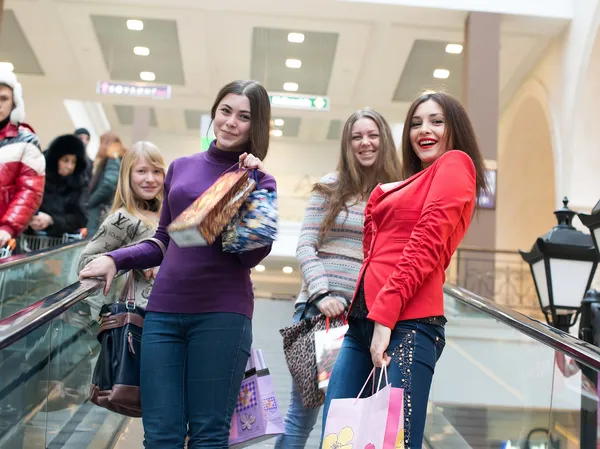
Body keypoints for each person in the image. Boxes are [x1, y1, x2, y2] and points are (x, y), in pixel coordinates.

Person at [79, 80, 276, 448]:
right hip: (163, 315)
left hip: (222, 316)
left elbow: (249, 255)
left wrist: (244, 186)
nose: (231, 122)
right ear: (214, 113)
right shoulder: (181, 168)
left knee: (207, 434)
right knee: (160, 435)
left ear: (257, 125)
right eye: (225, 111)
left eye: (244, 116)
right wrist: (114, 259)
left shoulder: (260, 180)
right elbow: (164, 241)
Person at [321, 91, 488, 449]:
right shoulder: (413, 180)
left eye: (436, 121)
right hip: (363, 323)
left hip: (407, 323)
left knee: (393, 441)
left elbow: (425, 244)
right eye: (415, 123)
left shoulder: (456, 164)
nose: (423, 130)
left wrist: (385, 317)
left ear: (454, 128)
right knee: (336, 437)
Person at [275, 108, 402, 449]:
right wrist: (321, 293)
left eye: (372, 135)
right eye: (356, 137)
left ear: (384, 140)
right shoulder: (330, 187)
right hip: (322, 317)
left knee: (346, 419)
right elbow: (305, 245)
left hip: (365, 319)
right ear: (347, 144)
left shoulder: (395, 193)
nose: (365, 143)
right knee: (303, 419)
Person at [78, 141, 166, 316]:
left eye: (156, 171)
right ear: (128, 175)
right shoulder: (122, 217)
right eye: (141, 171)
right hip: (144, 316)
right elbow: (84, 263)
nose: (150, 179)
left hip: (174, 309)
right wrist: (138, 258)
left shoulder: (167, 213)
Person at [0, 69, 45, 248]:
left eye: (4, 99)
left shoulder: (27, 140)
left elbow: (30, 190)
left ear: (14, 103)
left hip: (5, 237)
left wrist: (8, 227)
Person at [28, 134, 88, 238]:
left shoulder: (78, 184)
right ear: (56, 159)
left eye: (73, 162)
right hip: (30, 236)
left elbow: (80, 218)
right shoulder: (38, 176)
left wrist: (52, 220)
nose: (69, 166)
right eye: (65, 160)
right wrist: (30, 219)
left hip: (59, 240)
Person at [87, 131, 123, 236]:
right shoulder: (118, 159)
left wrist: (91, 201)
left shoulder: (112, 158)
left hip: (100, 208)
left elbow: (109, 184)